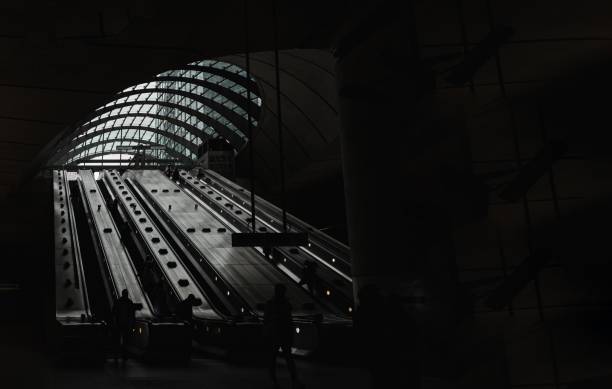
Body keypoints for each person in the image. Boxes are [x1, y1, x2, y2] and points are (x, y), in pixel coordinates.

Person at [263, 284, 303, 389]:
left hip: (276, 334)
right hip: (282, 334)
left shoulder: (272, 304)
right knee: (287, 358)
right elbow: (289, 321)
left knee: (273, 358)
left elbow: (266, 320)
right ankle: (293, 380)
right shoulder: (285, 304)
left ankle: (274, 381)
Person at [112, 289, 137, 362]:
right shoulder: (129, 302)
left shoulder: (118, 302)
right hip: (125, 324)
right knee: (125, 340)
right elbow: (132, 314)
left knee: (118, 340)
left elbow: (113, 312)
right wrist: (132, 323)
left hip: (120, 323)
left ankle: (117, 355)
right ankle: (123, 356)